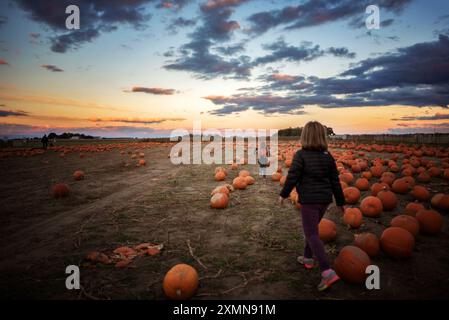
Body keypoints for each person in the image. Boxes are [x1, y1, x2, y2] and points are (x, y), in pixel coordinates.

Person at [278, 121, 345, 291]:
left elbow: (292, 176)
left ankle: (327, 271)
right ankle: (307, 258)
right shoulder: (327, 156)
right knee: (313, 229)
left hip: (309, 200)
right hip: (324, 200)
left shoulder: (300, 155)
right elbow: (335, 181)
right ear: (322, 137)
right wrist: (340, 201)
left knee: (311, 233)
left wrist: (284, 194)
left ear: (304, 137)